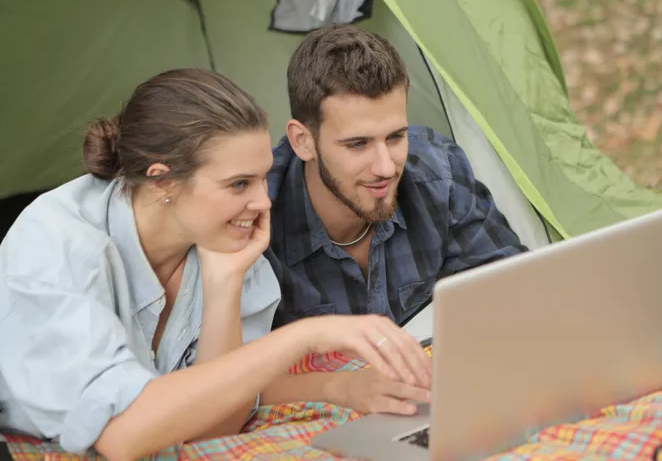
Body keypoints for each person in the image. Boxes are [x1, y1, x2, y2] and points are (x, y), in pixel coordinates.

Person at [0, 69, 431, 461]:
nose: (263, 202)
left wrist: (224, 281)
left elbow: (217, 428)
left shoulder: (218, 240)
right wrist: (305, 336)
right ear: (162, 180)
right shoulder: (60, 245)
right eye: (239, 184)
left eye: (262, 177)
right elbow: (120, 435)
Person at [266, 24, 527, 334]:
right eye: (358, 144)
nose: (386, 168)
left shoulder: (438, 173)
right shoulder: (257, 221)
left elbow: (516, 289)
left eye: (395, 137)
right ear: (303, 141)